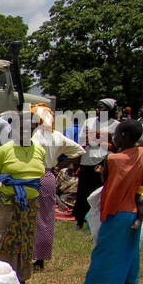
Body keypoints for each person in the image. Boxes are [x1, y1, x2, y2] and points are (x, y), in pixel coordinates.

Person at [74, 120, 143, 284]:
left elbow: (104, 179)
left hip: (116, 210)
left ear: (123, 136)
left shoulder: (112, 159)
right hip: (133, 212)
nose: (113, 138)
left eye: (115, 135)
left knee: (102, 252)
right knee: (131, 254)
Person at [0, 131, 47, 284]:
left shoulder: (40, 150)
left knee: (25, 239)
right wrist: (0, 193)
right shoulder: (3, 150)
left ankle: (21, 278)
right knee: (0, 238)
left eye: (29, 127)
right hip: (7, 201)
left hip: (29, 204)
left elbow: (40, 176)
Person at [29, 104, 84, 270]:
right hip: (48, 176)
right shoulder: (56, 135)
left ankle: (25, 254)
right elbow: (79, 152)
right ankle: (40, 259)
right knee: (46, 218)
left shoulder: (33, 136)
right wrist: (58, 166)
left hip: (31, 176)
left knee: (28, 216)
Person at [73, 97, 117, 228]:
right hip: (87, 162)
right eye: (97, 107)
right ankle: (80, 220)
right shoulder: (89, 122)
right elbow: (81, 143)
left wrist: (97, 139)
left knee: (100, 193)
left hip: (104, 163)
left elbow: (116, 145)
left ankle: (97, 221)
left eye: (101, 108)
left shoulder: (116, 125)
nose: (98, 110)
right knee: (83, 193)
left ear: (110, 110)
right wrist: (76, 162)